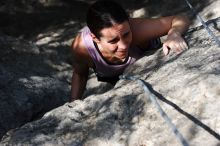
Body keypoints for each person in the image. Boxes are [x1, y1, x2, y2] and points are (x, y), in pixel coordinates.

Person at [70, 0, 190, 102]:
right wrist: (73, 104)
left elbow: (179, 19)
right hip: (112, 76)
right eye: (113, 41)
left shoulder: (137, 30)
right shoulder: (82, 48)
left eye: (126, 34)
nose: (123, 45)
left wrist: (174, 34)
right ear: (95, 38)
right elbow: (80, 74)